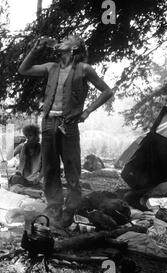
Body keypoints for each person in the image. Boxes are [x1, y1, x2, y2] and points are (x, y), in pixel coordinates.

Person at [18, 35, 114, 226]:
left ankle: (71, 209)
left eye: (68, 38)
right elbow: (24, 69)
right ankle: (54, 207)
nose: (62, 40)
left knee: (72, 167)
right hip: (48, 123)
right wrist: (36, 48)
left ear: (75, 46)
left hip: (68, 124)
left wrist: (87, 111)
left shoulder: (83, 69)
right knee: (50, 168)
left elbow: (107, 91)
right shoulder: (51, 67)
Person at [8, 124, 42, 189]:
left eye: (31, 135)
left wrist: (39, 177)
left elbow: (45, 167)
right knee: (15, 178)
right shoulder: (21, 146)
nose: (29, 138)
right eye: (27, 136)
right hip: (22, 178)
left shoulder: (42, 148)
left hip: (36, 179)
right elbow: (8, 157)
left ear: (37, 136)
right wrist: (13, 144)